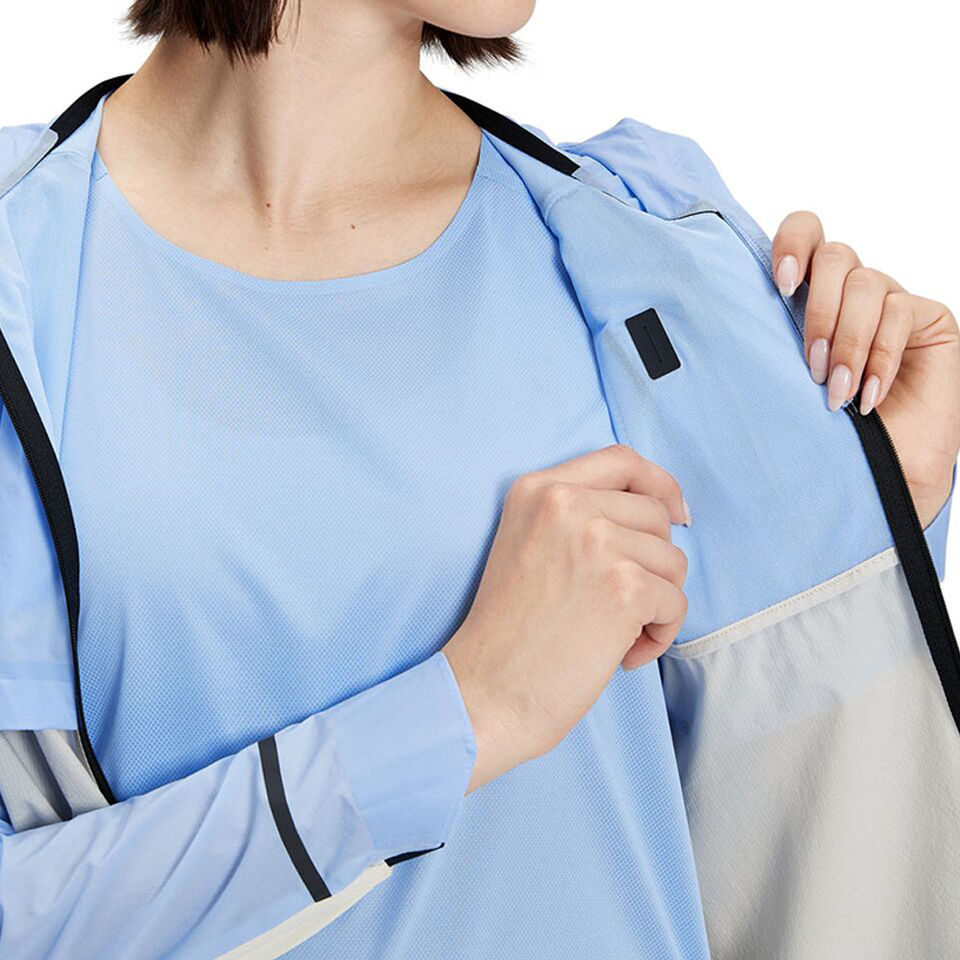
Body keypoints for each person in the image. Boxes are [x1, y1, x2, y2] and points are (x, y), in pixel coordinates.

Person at [0, 2, 957, 958]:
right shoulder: (23, 282)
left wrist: (881, 496)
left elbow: (800, 818)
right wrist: (464, 713)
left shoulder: (642, 241)